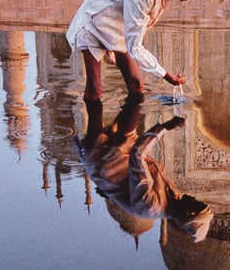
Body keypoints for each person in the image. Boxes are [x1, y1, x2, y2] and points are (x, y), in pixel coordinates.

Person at [66, 0, 212, 103]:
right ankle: (95, 127)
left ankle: (124, 127)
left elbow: (136, 32)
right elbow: (135, 46)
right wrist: (166, 75)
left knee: (136, 86)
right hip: (94, 22)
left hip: (118, 29)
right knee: (95, 90)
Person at [78, 98, 212, 243]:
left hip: (105, 160)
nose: (194, 198)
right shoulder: (174, 199)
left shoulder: (151, 206)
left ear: (188, 213)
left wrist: (165, 127)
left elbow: (138, 155)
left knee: (96, 105)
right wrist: (110, 193)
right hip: (123, 154)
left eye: (197, 203)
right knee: (134, 99)